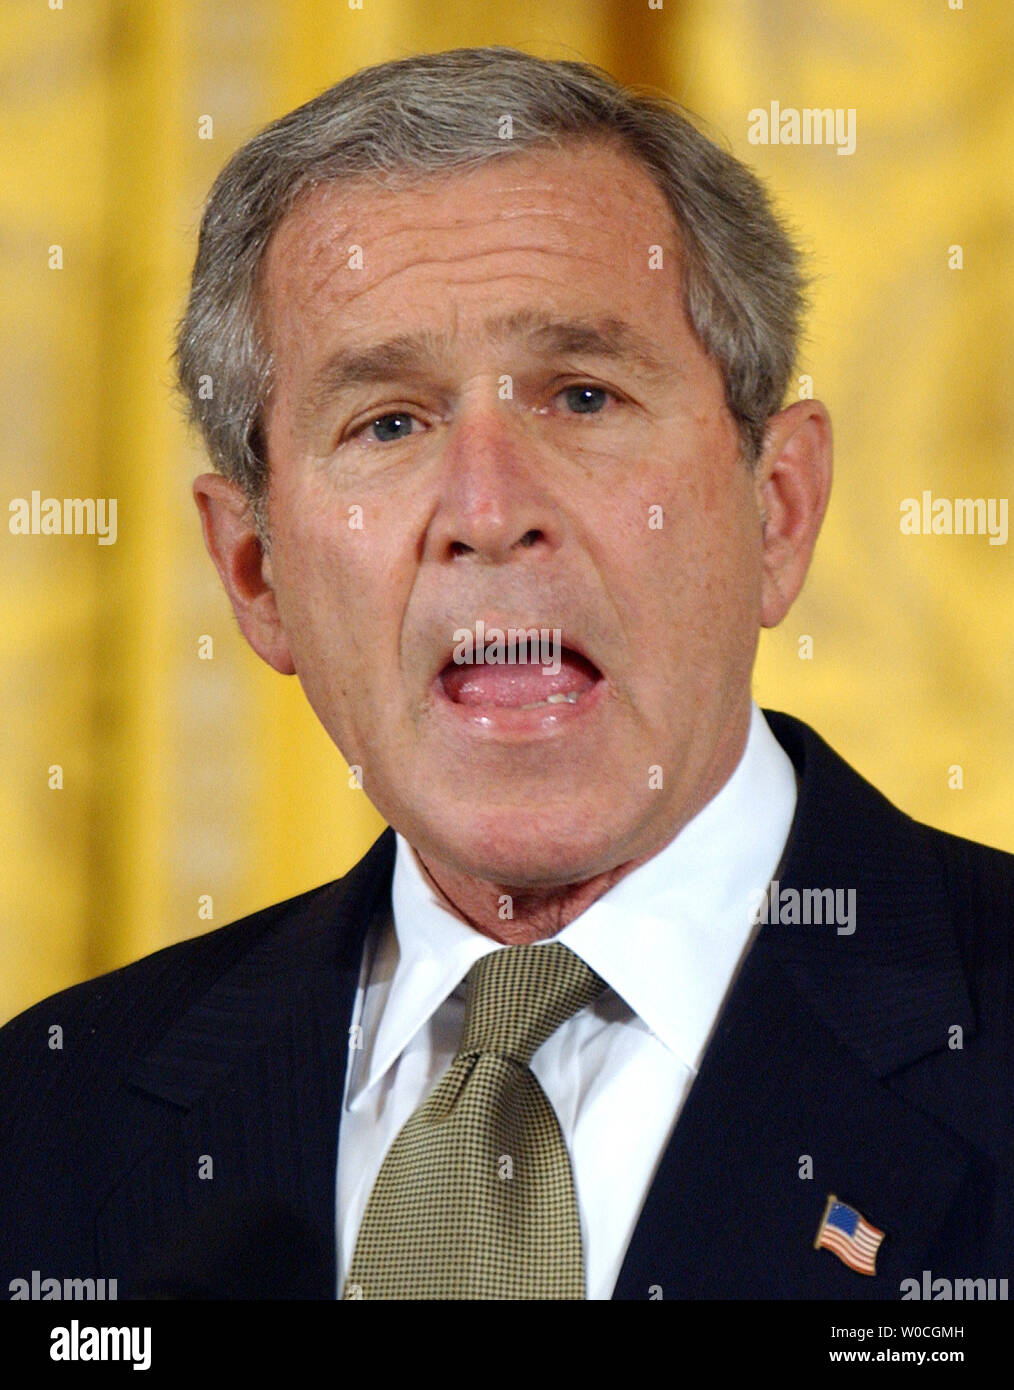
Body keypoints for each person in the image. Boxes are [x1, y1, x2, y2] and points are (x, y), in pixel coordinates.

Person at [2, 47, 1011, 1302]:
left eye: (582, 396)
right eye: (388, 422)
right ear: (255, 574)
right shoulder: (43, 1123)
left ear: (778, 510)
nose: (488, 510)